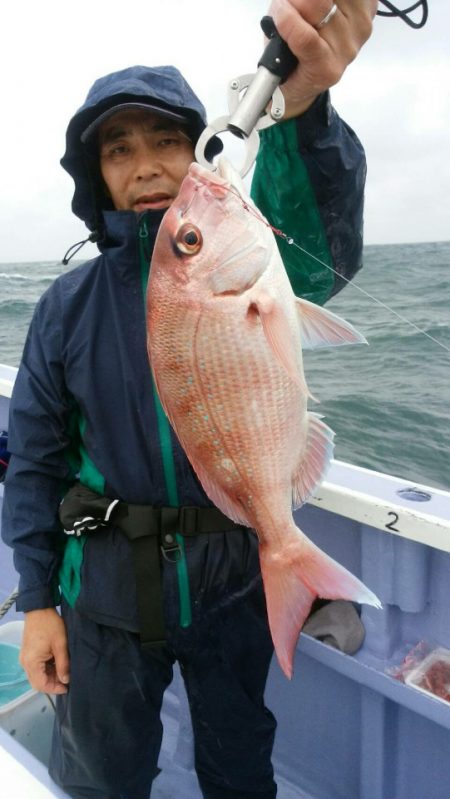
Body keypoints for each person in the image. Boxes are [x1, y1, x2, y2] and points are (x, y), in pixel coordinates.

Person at [2, 2, 377, 797]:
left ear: (198, 148)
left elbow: (327, 243)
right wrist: (37, 602)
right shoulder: (66, 307)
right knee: (103, 777)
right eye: (119, 149)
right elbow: (32, 460)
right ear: (95, 174)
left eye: (166, 140)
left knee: (240, 768)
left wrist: (306, 110)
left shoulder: (250, 256)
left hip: (232, 581)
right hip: (103, 597)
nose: (145, 165)